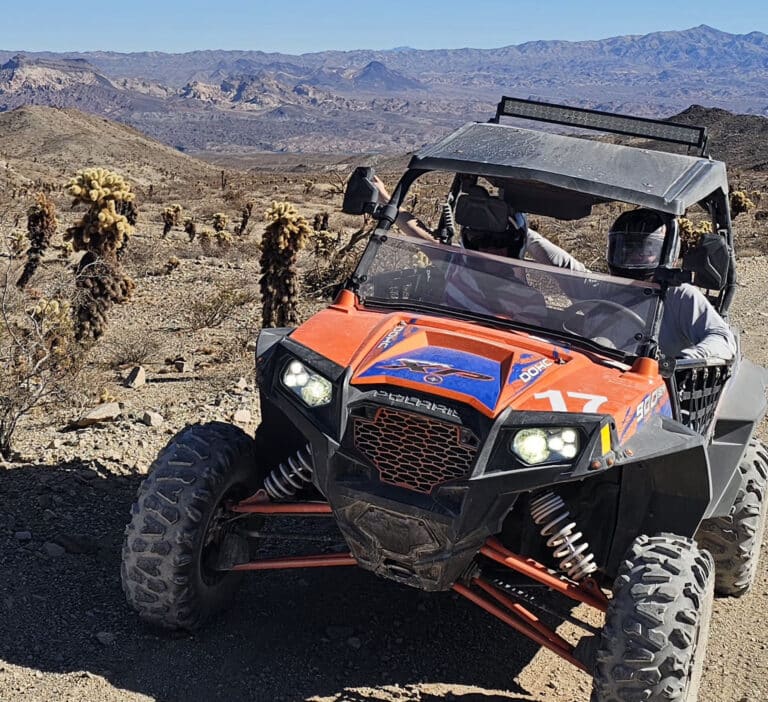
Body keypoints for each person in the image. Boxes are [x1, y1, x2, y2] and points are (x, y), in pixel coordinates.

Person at [371, 178, 735, 361]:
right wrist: (518, 235)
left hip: (660, 392)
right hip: (600, 388)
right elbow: (560, 264)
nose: (633, 259)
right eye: (625, 249)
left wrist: (679, 363)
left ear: (665, 253)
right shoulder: (606, 287)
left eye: (643, 251)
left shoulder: (680, 296)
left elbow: (723, 340)